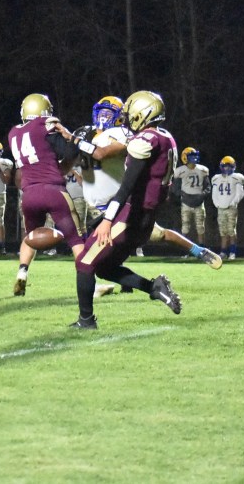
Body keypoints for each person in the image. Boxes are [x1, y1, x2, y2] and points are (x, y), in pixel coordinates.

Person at [71, 91, 191, 329]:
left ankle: (86, 321)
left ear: (142, 112)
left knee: (84, 262)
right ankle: (154, 287)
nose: (127, 116)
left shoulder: (144, 140)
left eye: (130, 111)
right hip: (145, 217)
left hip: (130, 215)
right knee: (104, 268)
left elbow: (127, 187)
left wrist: (107, 220)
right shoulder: (166, 137)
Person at [77, 95, 222, 280]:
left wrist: (75, 141)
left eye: (109, 113)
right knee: (117, 247)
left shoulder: (124, 134)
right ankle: (128, 281)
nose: (103, 117)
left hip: (119, 203)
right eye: (101, 113)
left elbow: (101, 154)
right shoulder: (92, 134)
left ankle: (198, 251)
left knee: (102, 251)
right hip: (106, 203)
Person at [8, 93, 88, 296]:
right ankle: (90, 284)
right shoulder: (45, 125)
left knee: (30, 237)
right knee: (76, 238)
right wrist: (73, 142)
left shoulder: (14, 133)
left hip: (29, 194)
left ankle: (22, 272)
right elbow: (69, 152)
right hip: (53, 191)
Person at [172, 147, 210, 244]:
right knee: (185, 227)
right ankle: (185, 248)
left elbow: (208, 187)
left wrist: (201, 195)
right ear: (185, 157)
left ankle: (202, 248)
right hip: (186, 202)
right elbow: (175, 188)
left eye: (195, 155)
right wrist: (183, 195)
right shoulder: (180, 171)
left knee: (200, 227)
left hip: (199, 202)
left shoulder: (203, 170)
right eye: (192, 156)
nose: (194, 158)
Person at [211, 156, 244, 260]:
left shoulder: (237, 177)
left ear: (233, 166)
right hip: (221, 208)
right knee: (223, 231)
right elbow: (214, 193)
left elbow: (240, 193)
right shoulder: (216, 178)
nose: (227, 168)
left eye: (229, 166)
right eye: (225, 166)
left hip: (231, 208)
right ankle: (223, 252)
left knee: (231, 230)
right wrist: (216, 203)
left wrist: (233, 203)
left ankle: (232, 252)